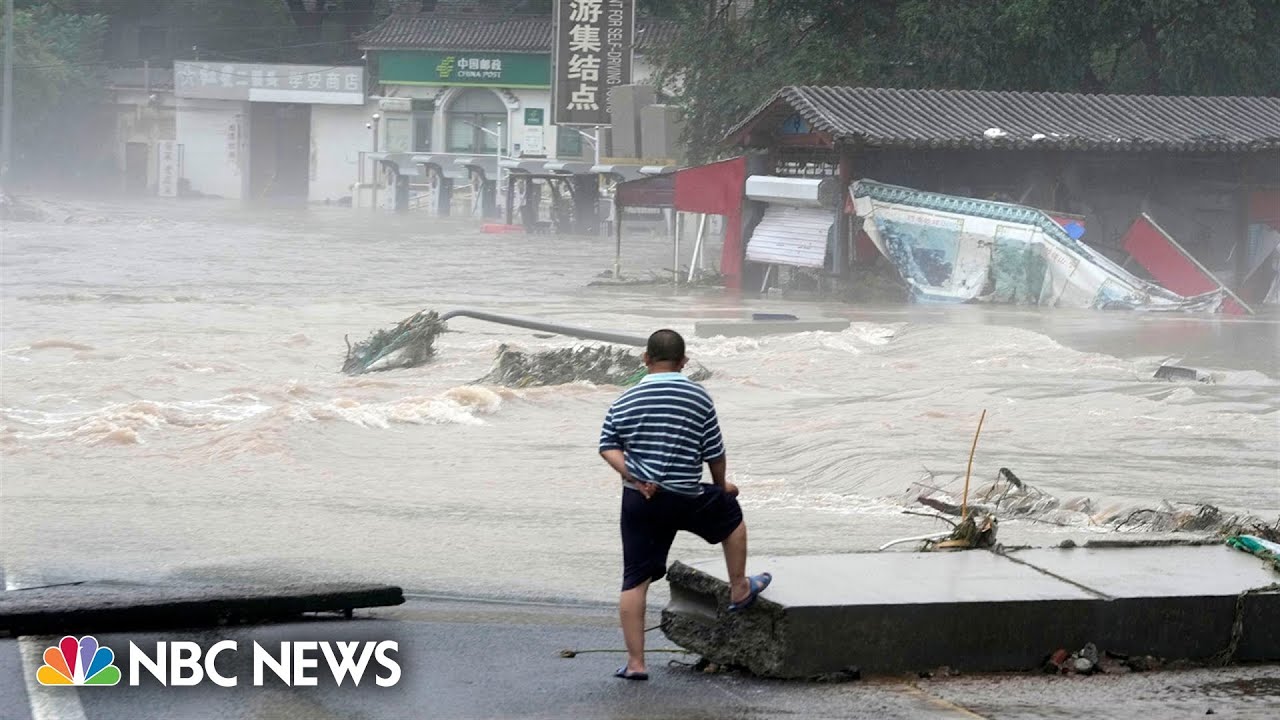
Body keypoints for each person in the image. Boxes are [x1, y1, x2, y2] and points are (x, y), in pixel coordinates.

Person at [598, 328, 771, 681]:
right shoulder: (698, 396)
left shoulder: (626, 399)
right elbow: (714, 452)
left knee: (634, 580)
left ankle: (636, 664)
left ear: (646, 359)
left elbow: (607, 445)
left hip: (641, 500)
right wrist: (722, 487)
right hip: (687, 497)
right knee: (732, 518)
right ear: (684, 362)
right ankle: (739, 586)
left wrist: (633, 476)